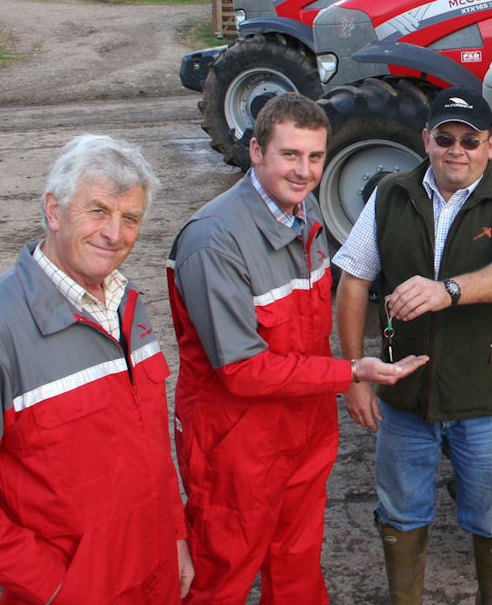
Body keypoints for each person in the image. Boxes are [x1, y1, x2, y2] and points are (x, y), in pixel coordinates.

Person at [167, 91, 426, 605]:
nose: (303, 170)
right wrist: (350, 372)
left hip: (303, 429)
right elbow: (241, 371)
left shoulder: (304, 212)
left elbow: (307, 333)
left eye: (314, 156)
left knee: (297, 564)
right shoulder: (213, 240)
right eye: (289, 154)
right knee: (224, 573)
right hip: (237, 442)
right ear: (257, 151)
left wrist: (341, 381)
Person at [0, 134, 192, 604]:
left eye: (130, 219)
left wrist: (174, 536)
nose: (114, 234)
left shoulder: (127, 304)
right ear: (54, 209)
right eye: (98, 210)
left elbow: (150, 451)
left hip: (156, 572)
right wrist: (57, 585)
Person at [334, 86, 492, 605]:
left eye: (470, 139)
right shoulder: (390, 194)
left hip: (485, 397)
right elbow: (353, 279)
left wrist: (447, 291)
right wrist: (355, 374)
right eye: (445, 138)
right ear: (426, 139)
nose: (458, 150)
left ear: (491, 145)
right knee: (401, 513)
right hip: (405, 397)